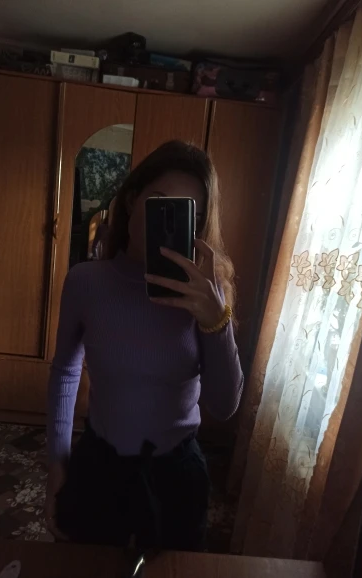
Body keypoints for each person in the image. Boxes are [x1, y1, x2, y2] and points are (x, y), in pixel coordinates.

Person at [45, 140, 244, 551]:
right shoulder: (85, 282)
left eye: (185, 213)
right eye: (159, 204)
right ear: (132, 199)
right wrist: (57, 466)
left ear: (198, 225)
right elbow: (65, 371)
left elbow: (225, 406)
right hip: (99, 465)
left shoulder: (208, 295)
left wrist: (216, 321)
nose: (165, 224)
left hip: (177, 476)